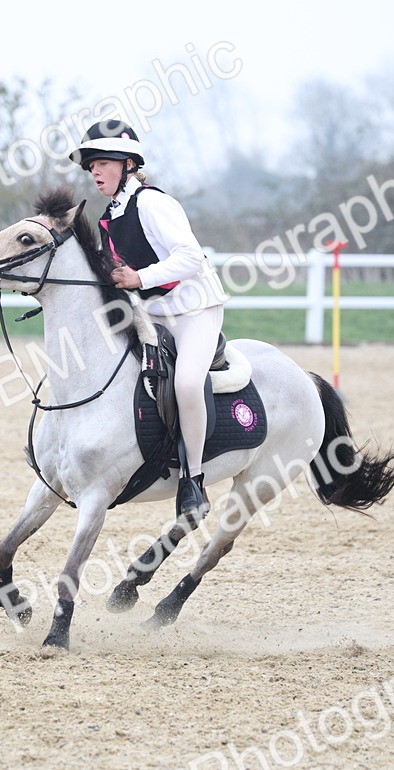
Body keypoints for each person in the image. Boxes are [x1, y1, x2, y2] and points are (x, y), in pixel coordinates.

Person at [69, 120, 229, 523]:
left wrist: (140, 278)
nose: (95, 172)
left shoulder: (153, 203)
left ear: (127, 164)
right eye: (91, 167)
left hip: (194, 309)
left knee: (187, 383)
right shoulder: (110, 216)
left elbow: (191, 257)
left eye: (102, 163)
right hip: (153, 312)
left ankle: (193, 479)